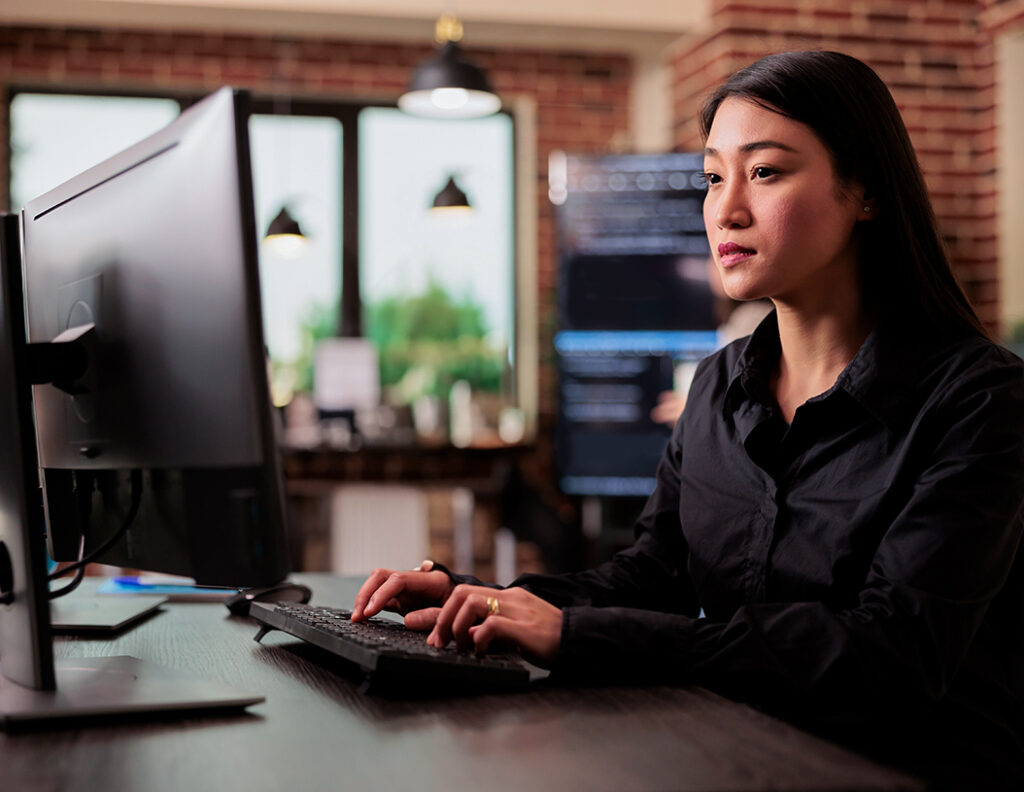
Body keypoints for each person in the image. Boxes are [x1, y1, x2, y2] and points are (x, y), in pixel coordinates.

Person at [352, 51, 1024, 788]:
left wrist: (581, 638)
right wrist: (478, 599)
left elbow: (887, 661)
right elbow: (653, 578)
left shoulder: (981, 400)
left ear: (863, 190)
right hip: (734, 755)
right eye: (712, 178)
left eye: (764, 172)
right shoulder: (719, 387)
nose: (726, 209)